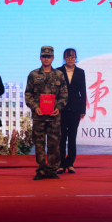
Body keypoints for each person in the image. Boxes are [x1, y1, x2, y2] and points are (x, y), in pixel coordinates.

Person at [25, 46, 68, 180]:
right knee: (39, 144)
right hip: (39, 116)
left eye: (49, 56)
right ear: (40, 57)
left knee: (54, 144)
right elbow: (28, 94)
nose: (46, 59)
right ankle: (41, 170)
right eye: (44, 56)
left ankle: (51, 169)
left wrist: (59, 107)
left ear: (53, 58)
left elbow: (64, 95)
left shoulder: (59, 75)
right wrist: (35, 107)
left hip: (54, 116)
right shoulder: (33, 75)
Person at [56, 48, 86, 174]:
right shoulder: (58, 71)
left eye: (72, 57)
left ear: (75, 58)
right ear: (64, 58)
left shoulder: (80, 72)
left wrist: (82, 109)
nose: (70, 59)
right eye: (68, 57)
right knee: (62, 137)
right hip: (61, 109)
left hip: (75, 109)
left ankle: (70, 163)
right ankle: (61, 164)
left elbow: (83, 92)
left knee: (72, 137)